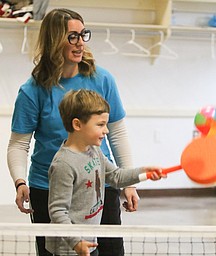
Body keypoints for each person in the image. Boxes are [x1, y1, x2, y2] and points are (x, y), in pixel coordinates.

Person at [7, 8, 139, 256]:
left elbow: (117, 132)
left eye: (83, 34)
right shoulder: (32, 90)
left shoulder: (102, 79)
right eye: (72, 37)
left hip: (100, 183)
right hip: (48, 188)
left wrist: (129, 184)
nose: (80, 43)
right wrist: (20, 182)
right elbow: (18, 144)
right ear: (54, 39)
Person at [46, 89, 165, 256]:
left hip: (89, 242)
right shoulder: (64, 164)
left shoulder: (94, 150)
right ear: (77, 125)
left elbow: (115, 176)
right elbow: (58, 211)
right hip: (69, 249)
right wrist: (76, 243)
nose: (106, 130)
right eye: (100, 125)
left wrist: (144, 173)